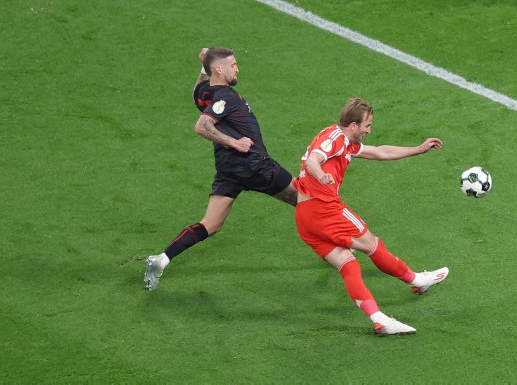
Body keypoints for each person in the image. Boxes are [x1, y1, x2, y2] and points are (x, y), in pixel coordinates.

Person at [143, 47, 298, 291]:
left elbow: (196, 94)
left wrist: (203, 66)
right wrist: (234, 142)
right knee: (306, 197)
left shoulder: (207, 93)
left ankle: (161, 260)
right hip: (255, 166)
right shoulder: (227, 97)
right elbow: (202, 125)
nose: (237, 69)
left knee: (210, 225)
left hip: (229, 172)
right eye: (233, 65)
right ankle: (339, 245)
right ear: (219, 69)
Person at [294, 98, 447, 336]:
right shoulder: (335, 139)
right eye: (367, 125)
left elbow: (380, 152)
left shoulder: (345, 142)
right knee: (372, 244)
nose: (369, 131)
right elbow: (314, 160)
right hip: (324, 208)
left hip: (305, 219)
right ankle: (416, 280)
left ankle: (379, 320)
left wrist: (418, 149)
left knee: (348, 264)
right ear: (353, 125)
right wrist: (321, 175)